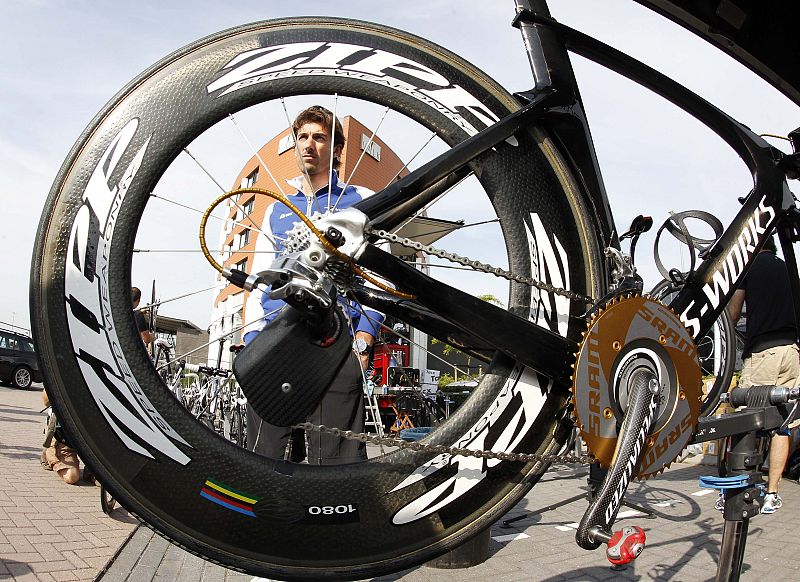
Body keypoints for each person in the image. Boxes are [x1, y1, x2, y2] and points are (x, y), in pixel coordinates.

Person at [242, 105, 384, 465]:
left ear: (336, 150)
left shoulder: (360, 201)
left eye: (320, 137)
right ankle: (263, 519)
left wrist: (365, 338)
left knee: (337, 460)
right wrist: (250, 341)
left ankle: (338, 518)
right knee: (264, 455)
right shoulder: (277, 208)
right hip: (280, 335)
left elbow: (381, 275)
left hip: (336, 336)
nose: (309, 145)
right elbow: (258, 278)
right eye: (302, 137)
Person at [727, 234, 799, 514]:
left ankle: (737, 489)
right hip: (792, 353)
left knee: (745, 419)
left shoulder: (751, 268)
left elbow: (733, 313)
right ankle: (771, 493)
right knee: (783, 424)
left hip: (763, 353)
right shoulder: (789, 269)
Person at [40, 389, 82, 485]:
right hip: (65, 440)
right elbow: (46, 399)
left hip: (94, 441)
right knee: (72, 476)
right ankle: (49, 452)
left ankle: (90, 471)